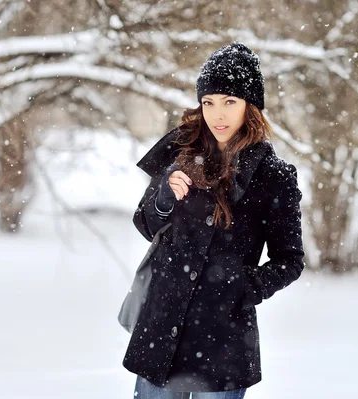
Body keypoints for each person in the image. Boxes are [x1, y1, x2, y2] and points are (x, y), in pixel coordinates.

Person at [122, 42, 305, 399]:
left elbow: (291, 260)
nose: (217, 114)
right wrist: (162, 201)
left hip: (222, 339)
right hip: (163, 329)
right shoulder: (180, 152)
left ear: (250, 107)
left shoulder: (273, 175)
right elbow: (146, 225)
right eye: (209, 102)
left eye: (229, 102)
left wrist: (242, 287)